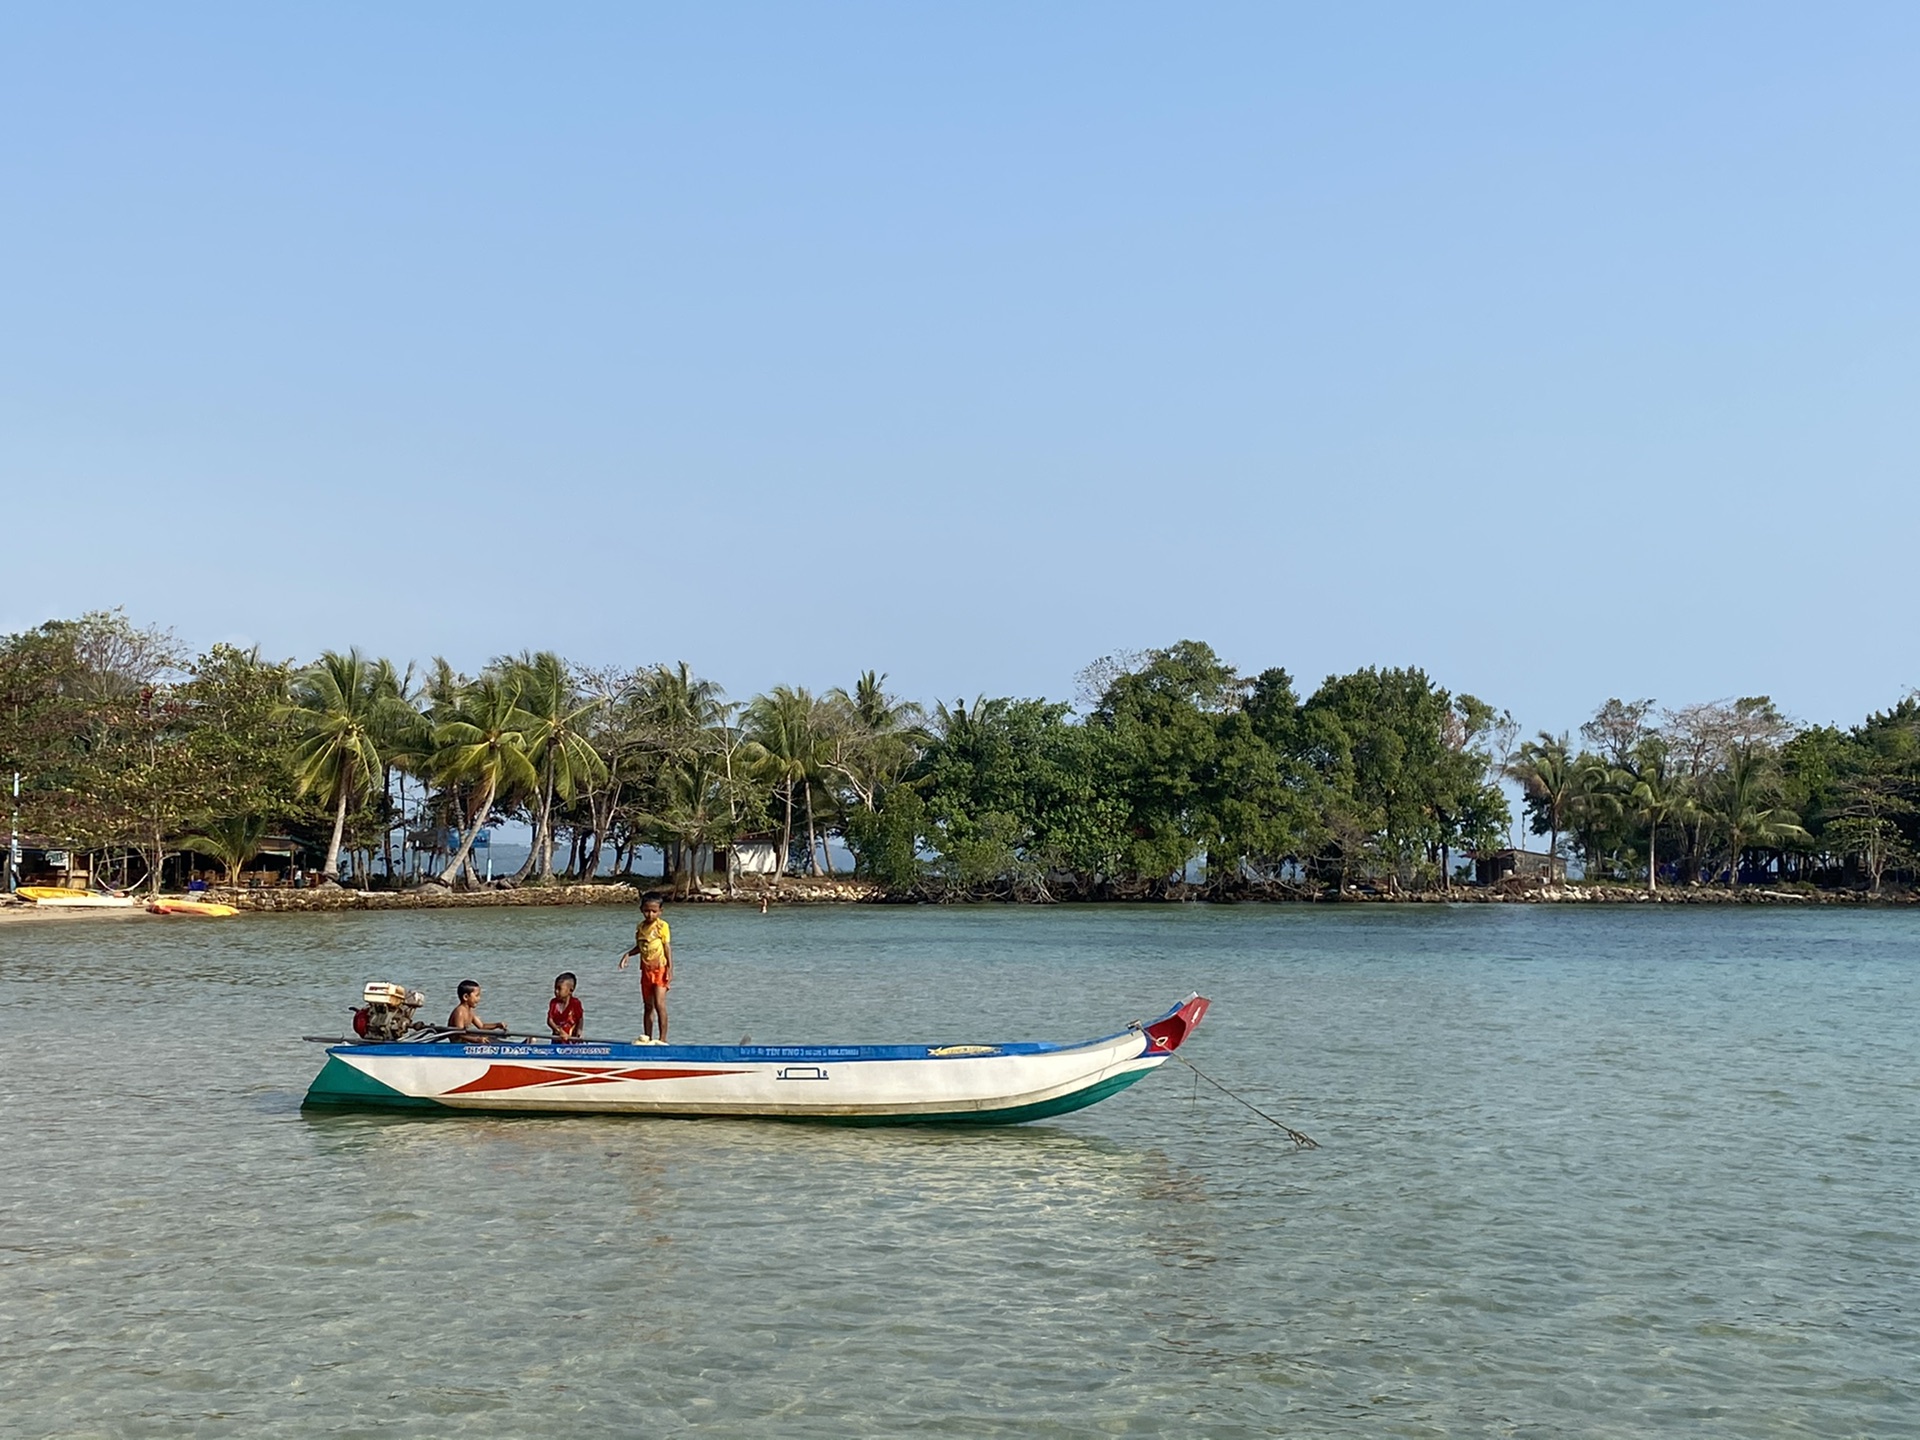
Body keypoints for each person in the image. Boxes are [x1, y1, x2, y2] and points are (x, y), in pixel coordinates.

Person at [617, 893, 673, 1042]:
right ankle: (647, 1037)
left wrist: (670, 969)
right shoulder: (641, 927)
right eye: (647, 911)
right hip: (646, 970)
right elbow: (641, 947)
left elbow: (667, 948)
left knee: (660, 1004)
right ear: (641, 909)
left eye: (654, 911)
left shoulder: (662, 926)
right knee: (648, 1006)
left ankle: (662, 1038)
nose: (650, 914)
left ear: (660, 911)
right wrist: (628, 954)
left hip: (660, 969)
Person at [547, 972, 584, 1042]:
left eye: (559, 989)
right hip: (557, 1039)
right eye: (555, 988)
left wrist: (579, 1032)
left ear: (571, 990)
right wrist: (560, 1031)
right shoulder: (553, 1003)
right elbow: (550, 1021)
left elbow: (580, 1019)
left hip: (571, 1039)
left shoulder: (575, 1003)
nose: (556, 991)